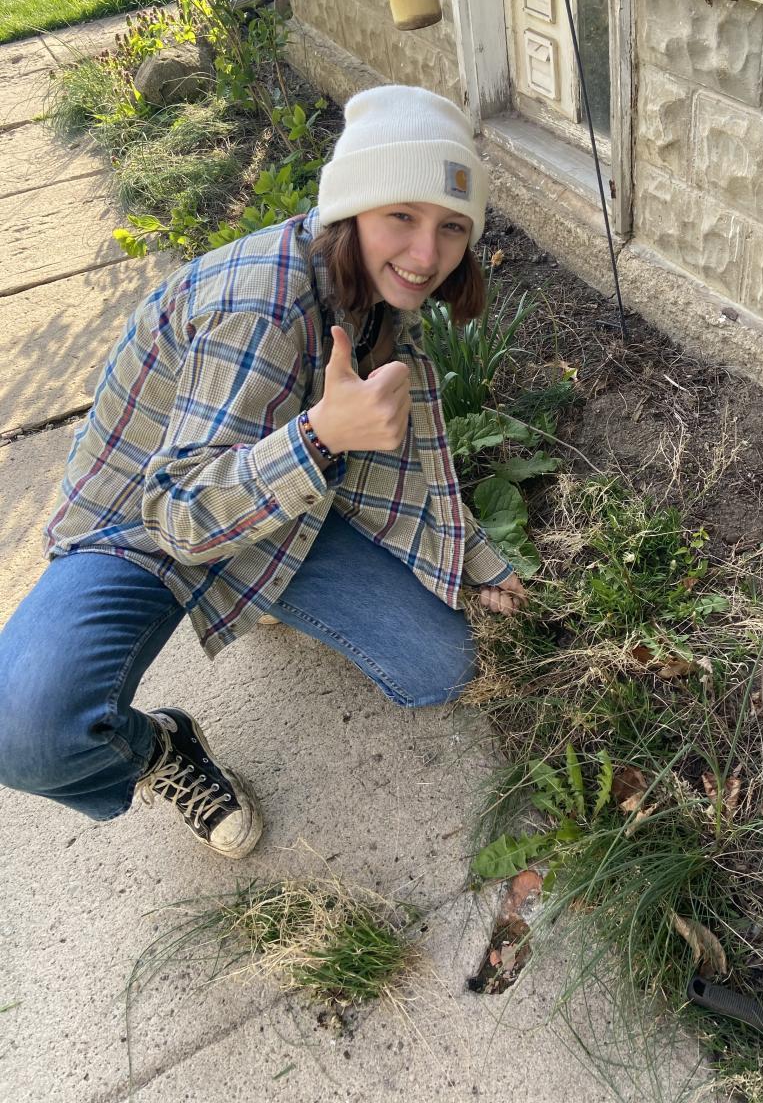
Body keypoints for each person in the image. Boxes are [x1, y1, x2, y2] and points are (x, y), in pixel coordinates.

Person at [0, 84, 526, 860]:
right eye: (401, 216)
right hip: (141, 527)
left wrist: (478, 561)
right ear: (352, 208)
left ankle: (268, 590)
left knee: (442, 666)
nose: (426, 256)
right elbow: (179, 514)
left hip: (276, 508)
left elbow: (407, 462)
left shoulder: (371, 297)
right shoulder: (262, 306)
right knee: (26, 735)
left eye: (452, 227)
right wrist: (320, 436)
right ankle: (161, 748)